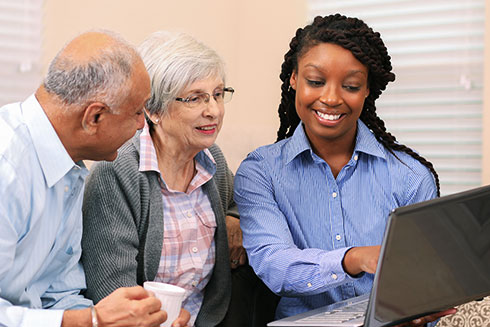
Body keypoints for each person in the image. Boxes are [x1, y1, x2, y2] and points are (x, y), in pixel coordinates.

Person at [234, 14, 456, 325]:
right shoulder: (261, 172)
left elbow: (424, 283)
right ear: (294, 79)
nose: (331, 98)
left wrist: (420, 315)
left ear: (367, 90)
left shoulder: (411, 176)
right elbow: (274, 265)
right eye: (315, 81)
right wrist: (353, 259)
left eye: (351, 85)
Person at [0, 30, 187, 327]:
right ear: (94, 117)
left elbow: (60, 295)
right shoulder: (7, 168)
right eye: (138, 112)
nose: (143, 125)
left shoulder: (68, 167)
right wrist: (93, 320)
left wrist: (133, 318)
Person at [81, 31, 254, 327]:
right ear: (154, 110)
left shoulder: (213, 159)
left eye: (217, 94)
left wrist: (235, 217)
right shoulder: (117, 173)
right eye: (195, 98)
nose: (213, 111)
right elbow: (112, 291)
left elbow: (249, 203)